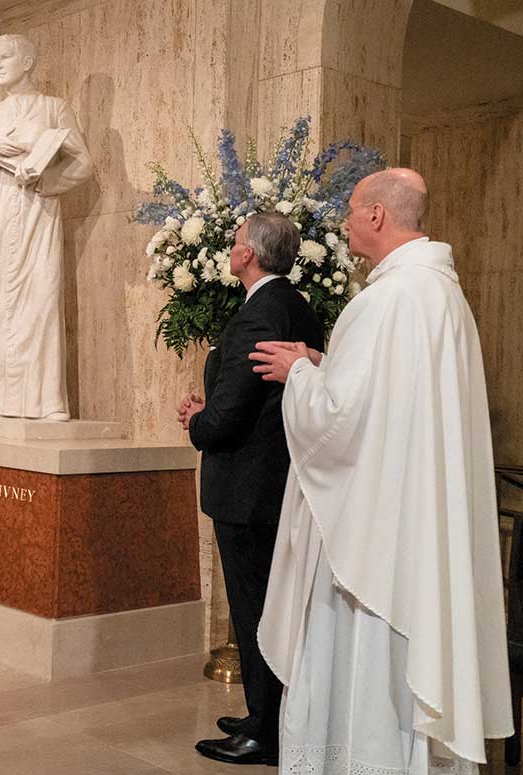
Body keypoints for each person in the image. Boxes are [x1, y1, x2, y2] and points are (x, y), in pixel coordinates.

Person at [251, 169, 512, 773]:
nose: (343, 223)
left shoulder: (388, 298)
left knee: (364, 665)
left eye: (350, 211)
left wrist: (298, 374)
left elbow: (338, 423)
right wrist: (324, 361)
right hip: (416, 522)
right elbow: (390, 401)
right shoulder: (440, 294)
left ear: (376, 216)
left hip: (374, 542)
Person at [178, 212, 323, 765]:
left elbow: (231, 417)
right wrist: (211, 410)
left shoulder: (261, 313)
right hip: (270, 482)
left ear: (250, 256)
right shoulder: (294, 306)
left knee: (256, 608)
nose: (230, 249)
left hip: (248, 488)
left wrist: (197, 420)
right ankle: (265, 712)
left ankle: (266, 730)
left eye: (236, 241)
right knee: (265, 606)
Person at [0, 33, 93, 420]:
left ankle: (47, 401)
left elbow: (82, 164)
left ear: (27, 62)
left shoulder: (54, 108)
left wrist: (45, 181)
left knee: (40, 301)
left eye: (4, 57)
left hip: (38, 210)